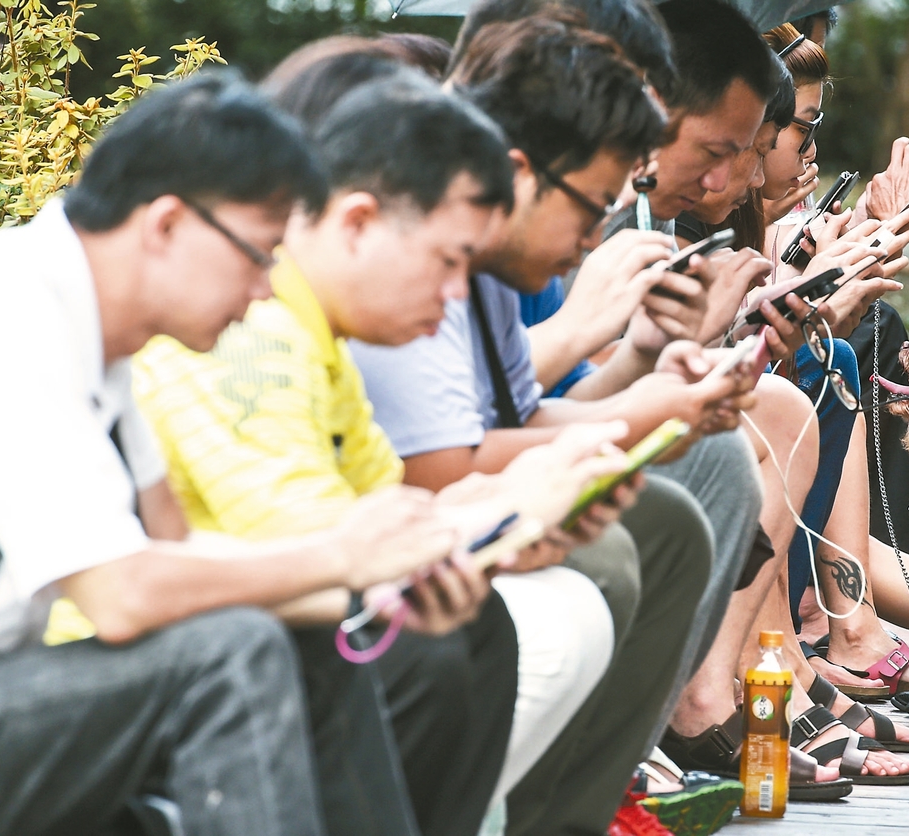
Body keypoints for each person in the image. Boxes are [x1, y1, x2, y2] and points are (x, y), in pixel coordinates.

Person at [0, 71, 478, 836]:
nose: (265, 290)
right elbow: (123, 598)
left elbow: (174, 551)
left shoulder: (104, 333)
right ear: (165, 225)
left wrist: (387, 585)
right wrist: (341, 561)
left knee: (297, 632)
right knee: (233, 649)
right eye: (259, 255)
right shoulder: (17, 311)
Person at [348, 18, 742, 835]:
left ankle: (579, 809)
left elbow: (517, 412)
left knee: (668, 518)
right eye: (596, 201)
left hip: (416, 513)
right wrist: (641, 403)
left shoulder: (490, 228)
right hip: (387, 529)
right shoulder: (423, 213)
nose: (599, 229)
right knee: (612, 550)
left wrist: (649, 380)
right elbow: (438, 466)